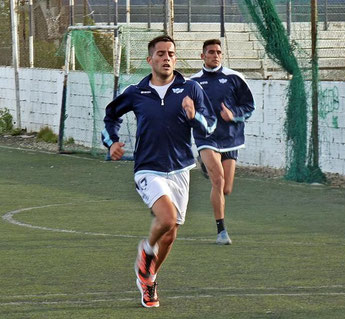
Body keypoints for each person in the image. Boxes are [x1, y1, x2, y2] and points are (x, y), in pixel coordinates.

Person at [102, 35, 216, 308]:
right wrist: (112, 142)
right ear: (150, 60)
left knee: (171, 233)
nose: (167, 58)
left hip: (179, 169)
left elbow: (209, 125)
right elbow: (110, 116)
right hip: (147, 168)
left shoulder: (191, 89)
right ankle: (145, 252)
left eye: (171, 54)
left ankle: (149, 279)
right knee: (165, 219)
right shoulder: (136, 92)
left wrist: (194, 116)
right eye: (161, 53)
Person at [190, 39, 255, 245]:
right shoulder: (193, 82)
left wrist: (233, 114)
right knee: (217, 181)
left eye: (218, 52)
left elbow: (249, 107)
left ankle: (207, 168)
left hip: (231, 138)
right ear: (202, 56)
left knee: (226, 189)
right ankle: (221, 231)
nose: (215, 55)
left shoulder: (235, 78)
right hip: (206, 138)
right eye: (211, 52)